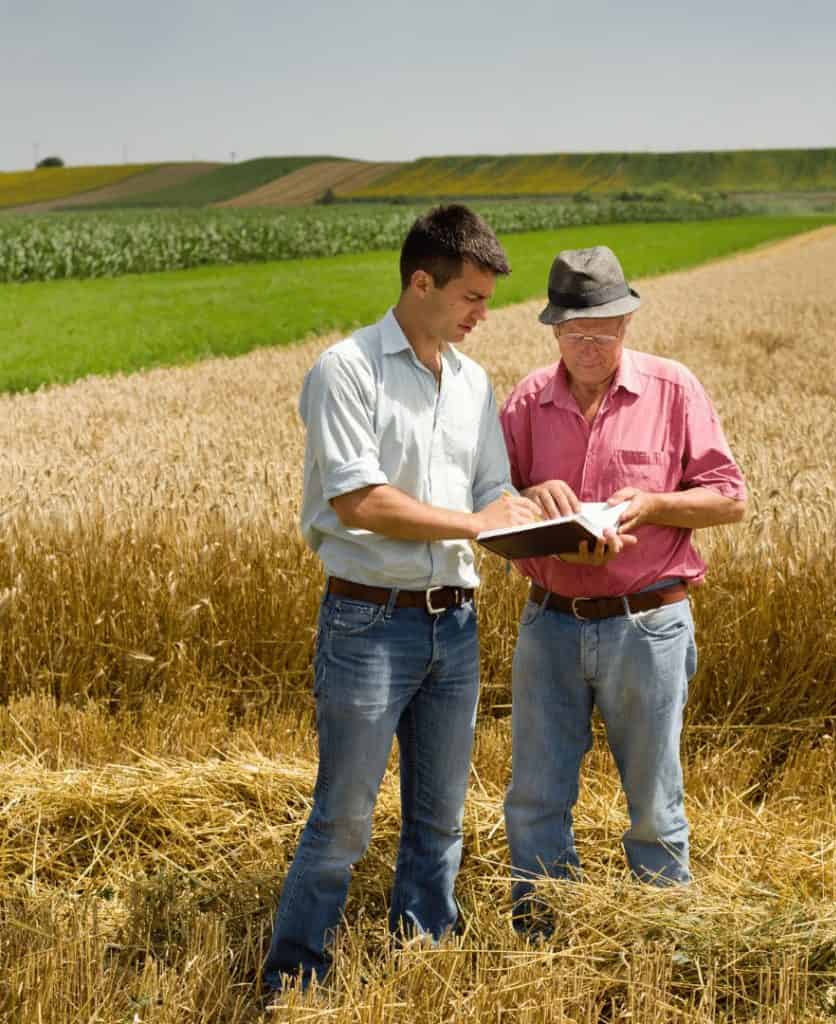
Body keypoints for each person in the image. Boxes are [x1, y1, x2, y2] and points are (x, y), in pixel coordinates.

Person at [263, 204, 538, 992]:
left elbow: (490, 487)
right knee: (344, 819)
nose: (484, 314)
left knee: (440, 817)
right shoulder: (346, 370)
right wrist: (477, 521)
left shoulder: (474, 381)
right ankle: (296, 978)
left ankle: (421, 956)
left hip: (455, 623)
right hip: (367, 622)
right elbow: (360, 502)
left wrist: (528, 509)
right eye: (472, 299)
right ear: (422, 282)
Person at [499, 245, 747, 930]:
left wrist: (653, 504)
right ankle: (543, 931)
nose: (589, 343)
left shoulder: (673, 390)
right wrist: (527, 492)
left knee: (654, 801)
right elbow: (486, 498)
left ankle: (663, 940)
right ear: (553, 329)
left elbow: (729, 499)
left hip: (648, 623)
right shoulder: (525, 401)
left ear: (628, 320)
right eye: (575, 330)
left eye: (603, 328)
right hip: (549, 622)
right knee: (536, 795)